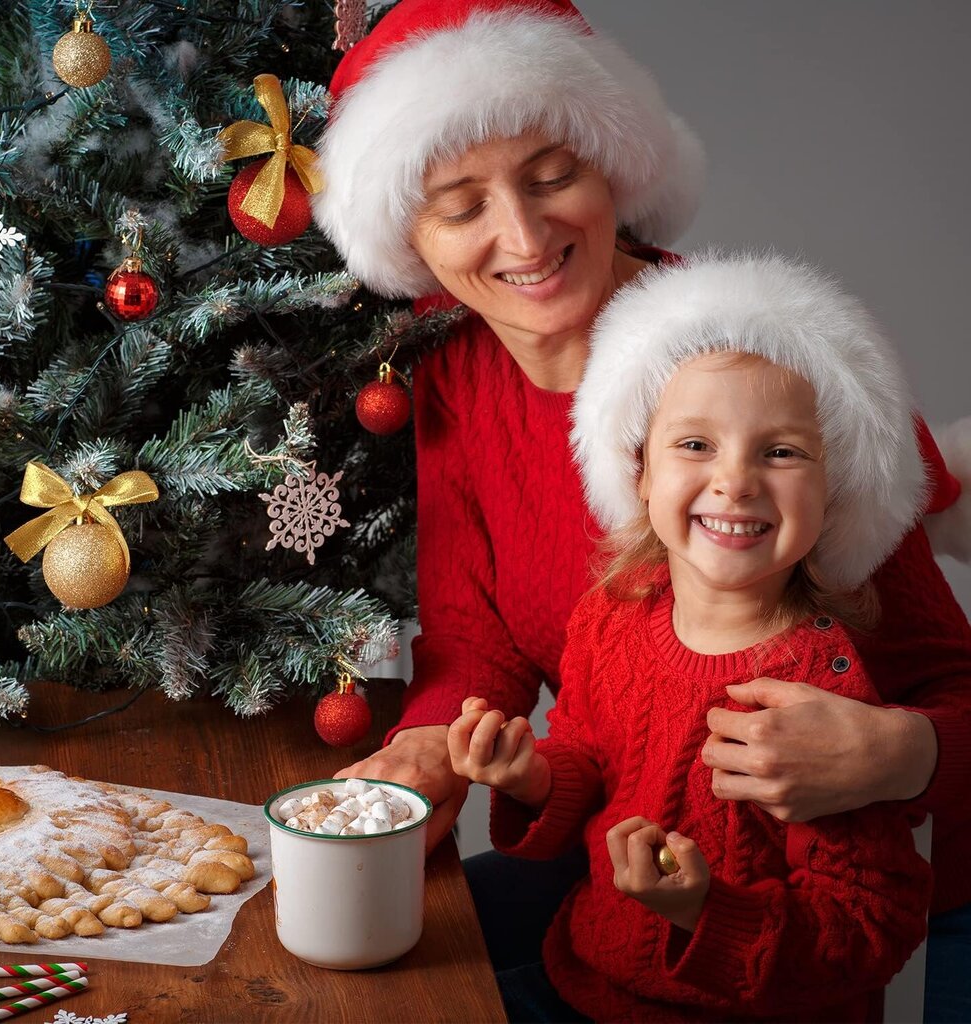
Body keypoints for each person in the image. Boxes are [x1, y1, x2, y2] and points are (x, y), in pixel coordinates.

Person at [311, 0, 971, 1018]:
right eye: (460, 204)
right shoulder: (456, 377)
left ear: (614, 166)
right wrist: (427, 750)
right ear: (408, 236)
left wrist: (904, 751)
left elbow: (945, 680)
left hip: (868, 896)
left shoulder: (747, 382)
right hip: (638, 879)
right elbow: (475, 650)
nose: (523, 236)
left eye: (552, 177)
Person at [448, 251, 934, 1022]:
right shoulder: (615, 614)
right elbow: (591, 758)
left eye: (780, 452)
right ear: (638, 470)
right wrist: (533, 777)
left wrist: (706, 910)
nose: (735, 481)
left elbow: (871, 925)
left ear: (832, 489)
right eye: (695, 444)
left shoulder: (819, 689)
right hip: (587, 980)